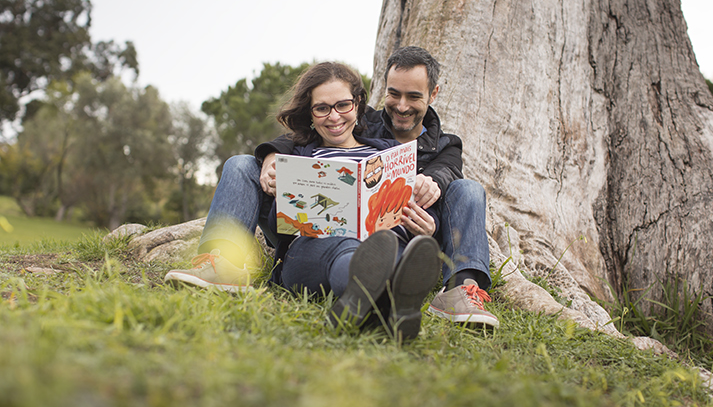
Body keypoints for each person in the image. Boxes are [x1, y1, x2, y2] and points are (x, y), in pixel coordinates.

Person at [167, 47, 497, 329]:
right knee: (347, 249)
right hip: (313, 246)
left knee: (381, 247)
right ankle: (380, 297)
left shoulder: (392, 154)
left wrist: (432, 226)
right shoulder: (305, 148)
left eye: (342, 106)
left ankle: (372, 301)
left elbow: (442, 177)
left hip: (385, 240)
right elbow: (290, 142)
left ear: (356, 107)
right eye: (322, 109)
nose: (334, 116)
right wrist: (270, 157)